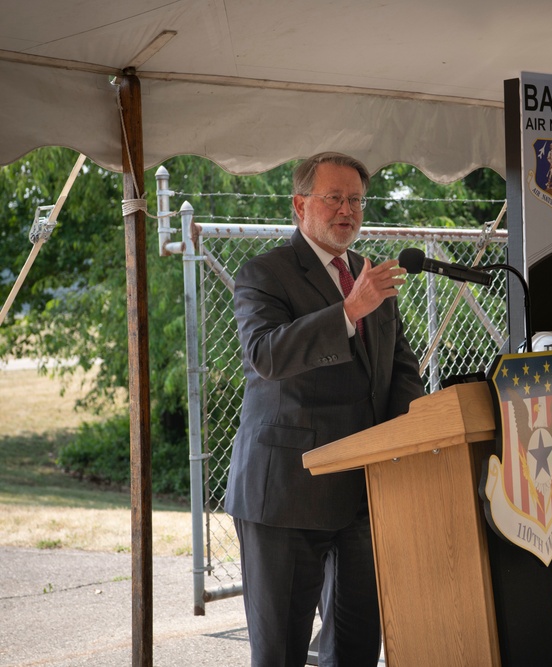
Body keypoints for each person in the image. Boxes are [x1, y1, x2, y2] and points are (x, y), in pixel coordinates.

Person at [224, 151, 425, 666]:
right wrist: (349, 310)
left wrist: (401, 438)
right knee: (282, 653)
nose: (347, 210)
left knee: (357, 648)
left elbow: (400, 369)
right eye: (334, 197)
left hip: (363, 493)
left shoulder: (369, 274)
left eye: (356, 199)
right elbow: (266, 355)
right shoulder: (264, 274)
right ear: (300, 204)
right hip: (287, 494)